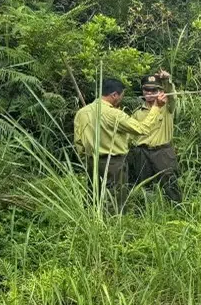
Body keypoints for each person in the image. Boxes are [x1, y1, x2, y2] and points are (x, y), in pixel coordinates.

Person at [73, 78, 166, 210]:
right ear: (114, 95)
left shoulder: (82, 112)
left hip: (92, 161)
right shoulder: (114, 114)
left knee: (94, 194)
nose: (121, 99)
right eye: (121, 96)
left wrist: (85, 158)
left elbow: (78, 141)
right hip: (114, 163)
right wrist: (156, 107)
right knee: (115, 198)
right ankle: (112, 225)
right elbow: (142, 129)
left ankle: (91, 221)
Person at [129, 70, 182, 203]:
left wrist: (167, 80)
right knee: (143, 184)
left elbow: (172, 96)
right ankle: (146, 212)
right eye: (147, 90)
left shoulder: (166, 107)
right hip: (141, 152)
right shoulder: (137, 112)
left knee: (170, 183)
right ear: (142, 91)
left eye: (154, 90)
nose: (150, 93)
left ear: (160, 91)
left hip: (162, 152)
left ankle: (177, 209)